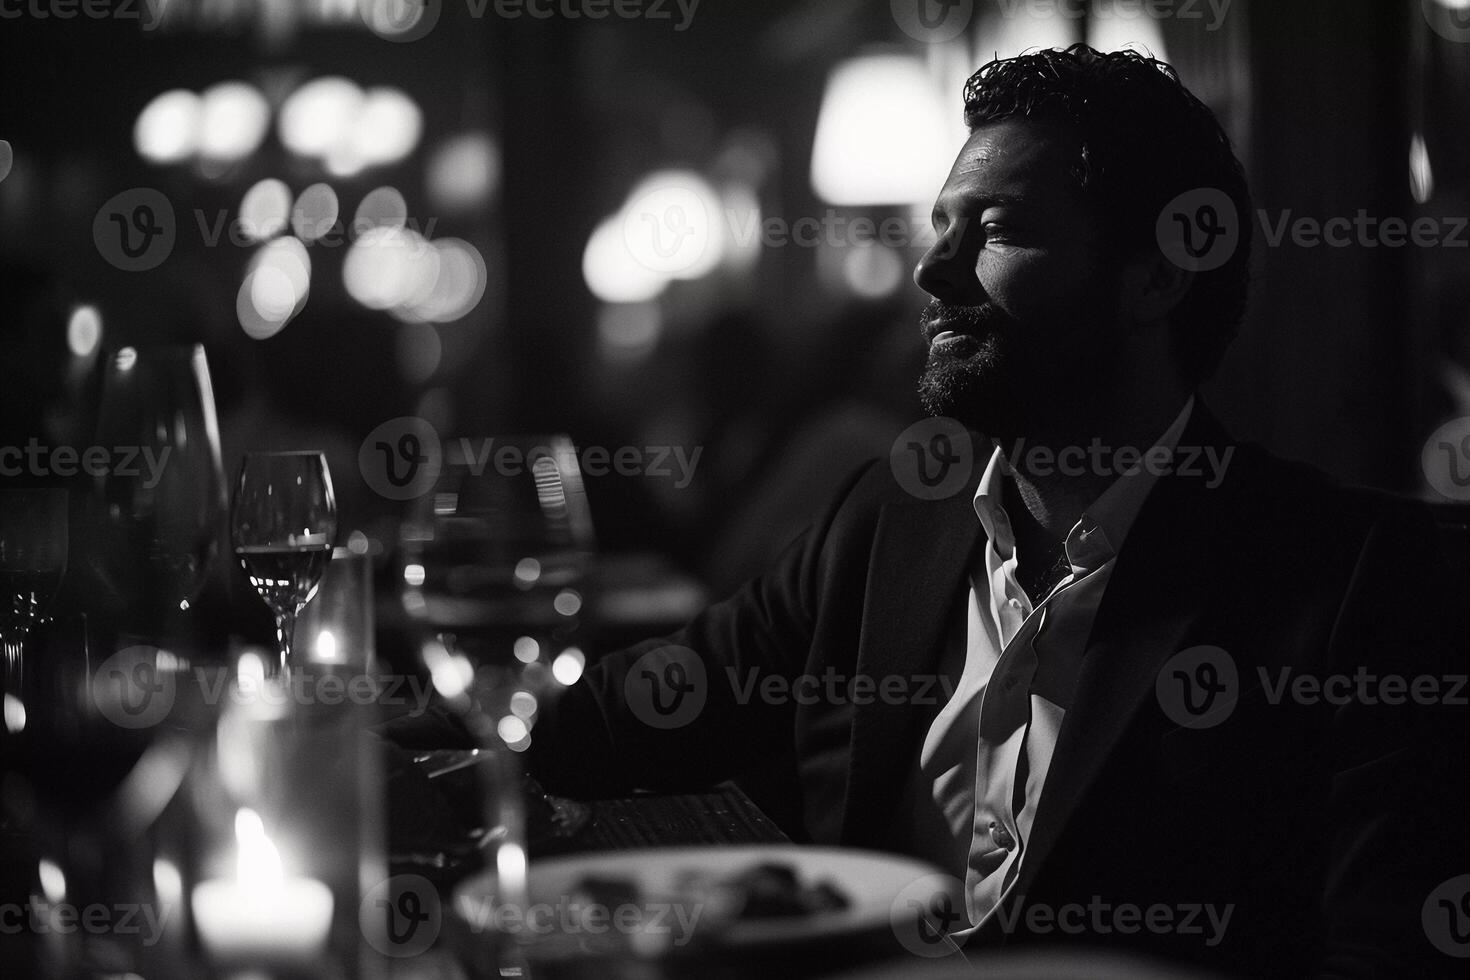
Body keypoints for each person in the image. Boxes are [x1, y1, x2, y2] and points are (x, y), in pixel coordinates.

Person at [513, 45, 1468, 976]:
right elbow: (660, 702)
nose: (933, 272)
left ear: (1159, 274)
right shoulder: (892, 517)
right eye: (944, 225)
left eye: (1000, 229)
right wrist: (445, 743)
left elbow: (1386, 946)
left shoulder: (1351, 578)